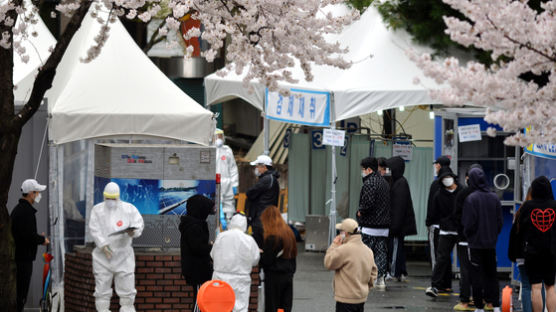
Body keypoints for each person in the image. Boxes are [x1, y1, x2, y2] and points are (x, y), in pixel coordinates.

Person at [88, 182, 144, 312]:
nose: (110, 202)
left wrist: (133, 232)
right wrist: (103, 246)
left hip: (124, 256)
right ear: (104, 196)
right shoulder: (97, 210)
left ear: (118, 197)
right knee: (101, 292)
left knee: (127, 292)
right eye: (108, 198)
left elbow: (138, 224)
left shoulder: (129, 209)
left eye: (113, 199)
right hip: (102, 258)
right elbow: (94, 229)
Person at [462, 167, 503, 312]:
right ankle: (495, 304)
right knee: (492, 274)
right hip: (490, 244)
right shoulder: (494, 197)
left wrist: (470, 236)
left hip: (475, 244)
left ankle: (479, 306)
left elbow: (468, 224)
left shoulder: (471, 199)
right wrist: (493, 235)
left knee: (476, 275)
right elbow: (499, 222)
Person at [517, 176, 556, 312]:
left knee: (536, 287)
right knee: (550, 287)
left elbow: (520, 230)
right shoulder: (555, 205)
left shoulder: (527, 206)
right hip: (551, 252)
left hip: (533, 253)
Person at [10, 179, 50, 312]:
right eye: (38, 192)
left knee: (19, 293)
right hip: (22, 259)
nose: (39, 195)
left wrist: (38, 238)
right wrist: (42, 239)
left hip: (20, 257)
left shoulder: (20, 210)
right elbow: (28, 236)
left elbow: (26, 233)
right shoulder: (26, 212)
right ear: (31, 193)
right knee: (21, 294)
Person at [324, 218, 377, 312]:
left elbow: (328, 263)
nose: (339, 234)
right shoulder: (368, 251)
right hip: (361, 297)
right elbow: (374, 272)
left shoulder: (344, 250)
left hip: (345, 298)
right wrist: (366, 287)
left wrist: (334, 245)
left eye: (340, 231)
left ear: (346, 233)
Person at [211, 213, 260, 312]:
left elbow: (213, 254)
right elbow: (255, 259)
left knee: (220, 307)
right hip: (240, 279)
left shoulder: (221, 236)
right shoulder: (248, 240)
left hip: (220, 278)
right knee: (240, 307)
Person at [509, 186, 546, 312]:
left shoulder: (520, 212)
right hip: (538, 255)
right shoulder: (542, 212)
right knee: (539, 286)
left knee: (526, 285)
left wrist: (513, 254)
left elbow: (514, 235)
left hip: (522, 255)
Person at [425, 171, 461, 297]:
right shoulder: (439, 194)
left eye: (448, 177)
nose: (446, 180)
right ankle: (435, 285)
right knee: (441, 258)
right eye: (444, 178)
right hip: (445, 230)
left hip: (460, 230)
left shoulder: (462, 192)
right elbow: (434, 211)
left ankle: (467, 290)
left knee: (464, 261)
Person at [357, 156, 390, 290]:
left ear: (369, 169)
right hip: (383, 225)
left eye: (363, 169)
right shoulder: (384, 182)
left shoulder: (370, 183)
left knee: (367, 253)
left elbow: (368, 203)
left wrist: (361, 211)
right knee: (381, 253)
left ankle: (366, 278)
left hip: (370, 225)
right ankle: (380, 278)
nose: (363, 172)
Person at [452, 164, 483, 310]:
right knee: (481, 270)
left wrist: (462, 232)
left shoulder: (463, 194)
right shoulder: (488, 194)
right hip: (483, 241)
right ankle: (483, 300)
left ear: (468, 178)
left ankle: (465, 300)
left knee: (465, 270)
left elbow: (456, 216)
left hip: (465, 239)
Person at [179, 194, 215, 312]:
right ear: (201, 209)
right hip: (198, 271)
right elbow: (199, 248)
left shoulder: (192, 224)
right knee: (200, 300)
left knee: (200, 298)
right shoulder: (194, 226)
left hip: (197, 269)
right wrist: (211, 247)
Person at [385, 156, 417, 282]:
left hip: (397, 226)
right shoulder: (399, 182)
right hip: (398, 225)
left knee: (395, 249)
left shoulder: (400, 184)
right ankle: (400, 271)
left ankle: (394, 272)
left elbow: (399, 207)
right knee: (398, 249)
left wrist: (394, 226)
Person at [260, 205, 297, 312]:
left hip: (274, 277)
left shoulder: (272, 237)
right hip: (288, 274)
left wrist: (261, 254)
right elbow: (293, 255)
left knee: (272, 306)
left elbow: (267, 260)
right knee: (285, 307)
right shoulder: (289, 233)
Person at [246, 154, 280, 247]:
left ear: (264, 167)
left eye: (257, 166)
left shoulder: (267, 179)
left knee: (259, 246)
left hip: (261, 219)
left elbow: (250, 193)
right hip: (266, 217)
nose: (256, 168)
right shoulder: (271, 178)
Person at [426, 155, 452, 269]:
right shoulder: (454, 182)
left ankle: (436, 282)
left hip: (436, 225)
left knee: (435, 255)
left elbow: (431, 206)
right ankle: (445, 282)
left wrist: (428, 222)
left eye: (436, 165)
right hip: (450, 226)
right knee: (445, 255)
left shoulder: (436, 184)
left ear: (439, 166)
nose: (435, 167)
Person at [215, 128, 239, 224]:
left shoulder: (227, 150)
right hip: (215, 182)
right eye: (216, 136)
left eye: (220, 136)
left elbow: (233, 168)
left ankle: (230, 223)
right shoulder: (209, 150)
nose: (219, 138)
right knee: (216, 204)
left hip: (227, 182)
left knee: (229, 204)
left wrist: (234, 184)